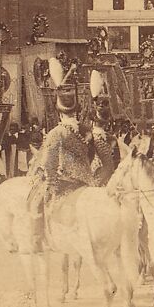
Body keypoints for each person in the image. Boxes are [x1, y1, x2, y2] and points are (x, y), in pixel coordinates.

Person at [26, 90, 95, 220]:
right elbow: (90, 155)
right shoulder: (86, 130)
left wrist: (50, 184)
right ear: (76, 111)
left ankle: (37, 238)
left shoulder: (56, 132)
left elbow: (49, 162)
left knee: (35, 204)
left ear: (59, 113)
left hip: (66, 182)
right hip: (87, 179)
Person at [90, 101, 120, 187]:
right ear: (106, 124)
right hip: (105, 177)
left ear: (93, 122)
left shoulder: (89, 136)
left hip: (92, 175)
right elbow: (112, 163)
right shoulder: (109, 138)